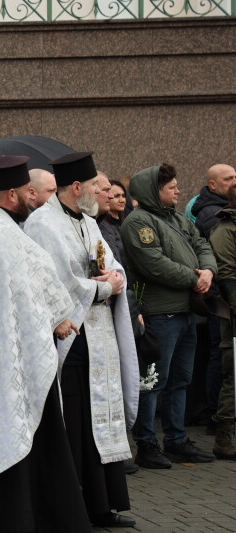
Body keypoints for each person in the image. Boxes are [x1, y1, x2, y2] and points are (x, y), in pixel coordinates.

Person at [0, 155, 90, 532]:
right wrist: (53, 321)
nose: (33, 196)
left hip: (6, 351)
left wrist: (52, 314)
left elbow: (22, 288)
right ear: (11, 193)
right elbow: (21, 299)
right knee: (28, 443)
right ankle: (32, 519)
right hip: (14, 360)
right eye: (28, 190)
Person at [25, 152, 138, 528]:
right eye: (94, 187)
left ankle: (102, 505)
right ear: (76, 187)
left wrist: (114, 278)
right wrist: (103, 287)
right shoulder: (43, 224)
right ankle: (73, 510)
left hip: (97, 337)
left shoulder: (88, 222)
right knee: (74, 426)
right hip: (70, 341)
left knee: (97, 424)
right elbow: (59, 281)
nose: (101, 193)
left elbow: (103, 262)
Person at [121, 163, 218, 467]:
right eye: (171, 187)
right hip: (160, 315)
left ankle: (176, 440)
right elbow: (154, 264)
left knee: (181, 380)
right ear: (154, 191)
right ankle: (147, 443)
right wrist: (195, 278)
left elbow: (202, 243)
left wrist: (209, 271)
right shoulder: (139, 222)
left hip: (185, 312)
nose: (178, 191)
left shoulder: (176, 218)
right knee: (153, 383)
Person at [208, 185, 236, 460]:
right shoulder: (225, 231)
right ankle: (223, 437)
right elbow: (226, 276)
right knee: (234, 376)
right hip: (233, 317)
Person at [192, 164, 236, 239]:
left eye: (235, 178)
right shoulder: (213, 214)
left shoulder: (225, 207)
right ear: (212, 185)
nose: (235, 182)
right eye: (228, 179)